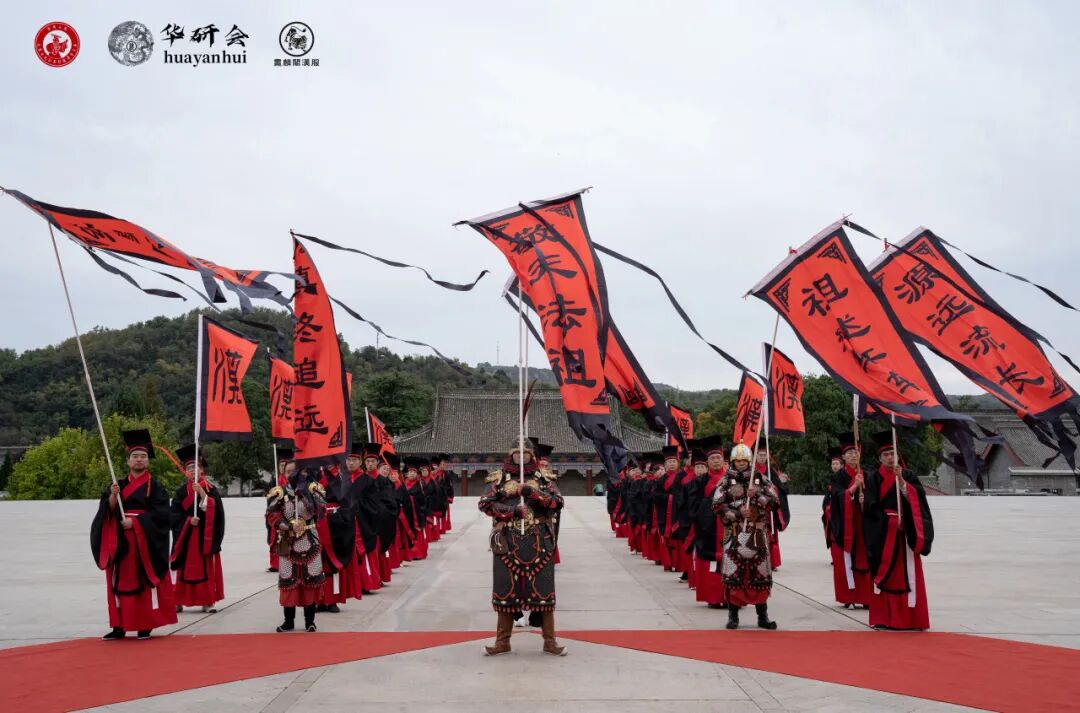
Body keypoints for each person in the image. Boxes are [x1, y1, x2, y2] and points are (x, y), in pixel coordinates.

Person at [479, 442, 566, 656]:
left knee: (544, 593)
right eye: (516, 452)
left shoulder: (543, 478)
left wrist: (533, 493)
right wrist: (511, 510)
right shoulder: (499, 478)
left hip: (539, 541)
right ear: (511, 455)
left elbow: (558, 502)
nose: (520, 456)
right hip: (507, 542)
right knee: (505, 593)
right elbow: (485, 504)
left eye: (524, 452)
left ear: (531, 455)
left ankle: (550, 641)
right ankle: (502, 642)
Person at [91, 429, 178, 640]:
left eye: (143, 456)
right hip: (120, 541)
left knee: (143, 581)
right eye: (135, 456)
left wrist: (137, 522)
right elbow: (106, 511)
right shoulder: (118, 485)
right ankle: (119, 626)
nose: (139, 460)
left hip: (144, 542)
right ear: (128, 461)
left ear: (148, 460)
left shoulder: (155, 487)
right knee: (118, 581)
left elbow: (163, 515)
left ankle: (144, 624)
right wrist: (113, 497)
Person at [863, 432, 934, 631]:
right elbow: (870, 507)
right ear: (879, 458)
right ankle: (884, 618)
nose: (889, 458)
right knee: (885, 574)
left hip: (904, 535)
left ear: (897, 455)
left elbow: (919, 500)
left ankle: (910, 619)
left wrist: (902, 482)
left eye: (892, 454)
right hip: (883, 533)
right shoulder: (873, 478)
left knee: (907, 574)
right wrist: (888, 520)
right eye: (885, 455)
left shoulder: (908, 475)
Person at [714, 442, 781, 630]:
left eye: (744, 460)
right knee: (734, 575)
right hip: (735, 534)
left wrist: (758, 495)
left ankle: (763, 616)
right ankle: (733, 616)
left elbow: (775, 502)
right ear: (733, 461)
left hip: (757, 534)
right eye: (738, 460)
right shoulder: (725, 481)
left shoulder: (761, 479)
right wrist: (737, 513)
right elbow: (717, 505)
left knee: (760, 574)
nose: (741, 463)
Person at [266, 466, 326, 632]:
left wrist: (309, 495)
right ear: (284, 474)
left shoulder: (313, 489)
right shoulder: (279, 492)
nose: (293, 475)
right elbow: (272, 515)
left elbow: (322, 509)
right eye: (288, 472)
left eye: (296, 471)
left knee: (310, 580)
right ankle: (288, 621)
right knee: (288, 580)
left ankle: (310, 621)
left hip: (309, 540)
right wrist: (286, 525)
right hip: (288, 542)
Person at [170, 444, 225, 614]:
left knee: (206, 568)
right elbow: (174, 515)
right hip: (186, 537)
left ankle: (207, 601)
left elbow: (218, 513)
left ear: (202, 470)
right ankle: (178, 601)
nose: (193, 470)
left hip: (204, 537)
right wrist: (187, 521)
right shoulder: (180, 492)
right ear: (185, 471)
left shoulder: (210, 489)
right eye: (189, 468)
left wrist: (202, 493)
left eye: (196, 467)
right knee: (183, 569)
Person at [828, 439, 872, 608]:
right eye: (850, 453)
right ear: (844, 457)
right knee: (845, 561)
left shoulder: (868, 475)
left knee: (865, 559)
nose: (853, 455)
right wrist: (853, 488)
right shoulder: (838, 477)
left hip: (864, 524)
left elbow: (875, 499)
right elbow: (836, 499)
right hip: (845, 525)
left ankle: (866, 597)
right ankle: (848, 596)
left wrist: (865, 501)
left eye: (856, 452)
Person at [687, 436, 728, 608]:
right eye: (712, 458)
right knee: (710, 564)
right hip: (708, 527)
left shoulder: (731, 479)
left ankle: (731, 598)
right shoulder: (700, 481)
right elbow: (693, 505)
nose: (716, 461)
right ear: (707, 462)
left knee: (730, 560)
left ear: (723, 460)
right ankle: (713, 597)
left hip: (729, 526)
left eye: (718, 457)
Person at [316, 463, 359, 612]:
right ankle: (319, 600)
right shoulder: (316, 474)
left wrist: (342, 518)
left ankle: (332, 600)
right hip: (318, 522)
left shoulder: (342, 476)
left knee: (333, 562)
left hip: (336, 521)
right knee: (318, 563)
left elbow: (348, 502)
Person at [755, 449, 790, 570]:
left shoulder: (771, 471)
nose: (762, 457)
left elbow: (779, 488)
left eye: (764, 455)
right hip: (756, 508)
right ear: (755, 456)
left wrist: (779, 484)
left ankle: (772, 563)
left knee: (771, 535)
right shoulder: (752, 470)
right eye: (760, 455)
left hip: (769, 509)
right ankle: (759, 562)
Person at [653, 445, 682, 573]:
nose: (672, 464)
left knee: (678, 539)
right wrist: (669, 498)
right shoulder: (661, 480)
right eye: (669, 462)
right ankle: (668, 563)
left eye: (674, 461)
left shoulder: (681, 477)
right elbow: (656, 496)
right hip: (665, 513)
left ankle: (678, 564)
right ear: (665, 465)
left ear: (678, 463)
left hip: (678, 512)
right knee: (666, 538)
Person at [267, 448, 294, 572]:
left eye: (284, 465)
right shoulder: (275, 481)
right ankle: (275, 564)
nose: (282, 468)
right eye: (281, 466)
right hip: (278, 514)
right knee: (275, 539)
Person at [402, 458, 430, 560]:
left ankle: (418, 553)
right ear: (407, 474)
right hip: (407, 512)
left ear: (417, 473)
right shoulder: (403, 484)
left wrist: (414, 501)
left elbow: (425, 499)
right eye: (410, 472)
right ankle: (409, 554)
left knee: (417, 533)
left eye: (414, 472)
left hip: (417, 513)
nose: (412, 474)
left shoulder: (420, 484)